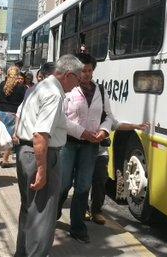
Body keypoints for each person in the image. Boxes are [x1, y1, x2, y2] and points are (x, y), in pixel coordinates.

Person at [14, 54, 84, 257]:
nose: (77, 85)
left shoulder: (39, 87)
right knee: (42, 216)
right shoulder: (54, 93)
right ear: (69, 75)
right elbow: (41, 134)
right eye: (78, 80)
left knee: (29, 209)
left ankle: (23, 253)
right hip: (42, 155)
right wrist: (43, 169)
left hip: (25, 152)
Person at [57, 52, 115, 244]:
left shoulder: (101, 90)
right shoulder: (67, 90)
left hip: (91, 146)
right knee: (64, 184)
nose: (86, 74)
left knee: (83, 186)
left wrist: (104, 131)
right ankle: (53, 212)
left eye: (90, 70)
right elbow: (61, 119)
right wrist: (82, 132)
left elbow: (108, 117)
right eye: (83, 71)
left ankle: (77, 227)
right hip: (69, 144)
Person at [86, 121, 149, 225]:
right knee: (83, 181)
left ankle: (96, 211)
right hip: (83, 148)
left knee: (101, 179)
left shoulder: (103, 106)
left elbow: (113, 122)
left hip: (101, 151)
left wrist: (135, 126)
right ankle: (82, 208)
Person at [0, 66, 26, 167]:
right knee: (10, 138)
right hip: (12, 113)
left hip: (0, 112)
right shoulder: (21, 87)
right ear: (17, 75)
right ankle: (5, 160)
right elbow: (23, 101)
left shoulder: (2, 84)